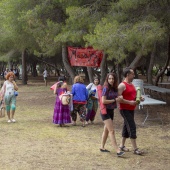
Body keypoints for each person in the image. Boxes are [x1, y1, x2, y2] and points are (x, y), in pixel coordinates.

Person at [118, 67, 144, 155]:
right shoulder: (122, 85)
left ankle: (121, 145)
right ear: (127, 75)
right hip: (124, 109)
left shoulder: (131, 85)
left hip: (131, 109)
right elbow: (118, 99)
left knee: (126, 126)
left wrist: (139, 98)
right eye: (132, 74)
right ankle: (135, 149)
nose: (134, 75)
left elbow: (133, 95)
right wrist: (129, 102)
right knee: (132, 126)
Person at [100, 73, 124, 157]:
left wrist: (120, 98)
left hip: (111, 111)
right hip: (105, 111)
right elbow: (103, 101)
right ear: (107, 79)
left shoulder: (114, 88)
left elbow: (117, 97)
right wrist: (114, 100)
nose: (111, 80)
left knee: (106, 130)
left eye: (113, 79)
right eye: (109, 79)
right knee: (111, 131)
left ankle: (102, 147)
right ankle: (117, 150)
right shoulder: (106, 88)